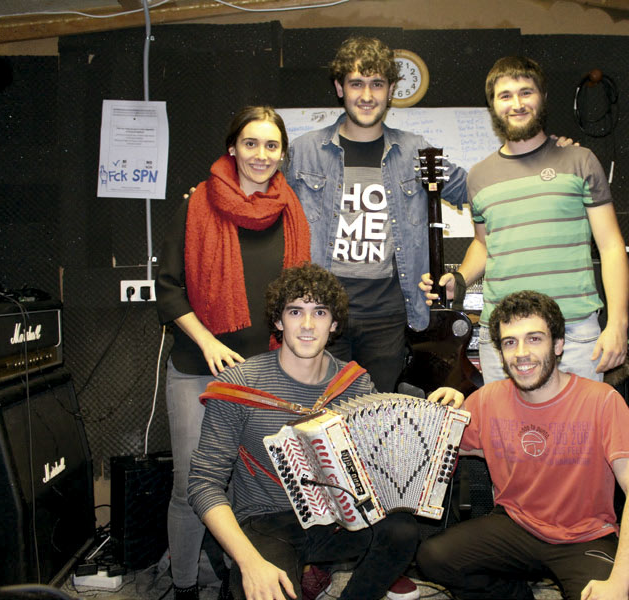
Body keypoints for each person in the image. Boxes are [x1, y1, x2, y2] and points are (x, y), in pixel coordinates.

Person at [188, 263, 462, 600]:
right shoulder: (240, 385)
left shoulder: (354, 383)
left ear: (333, 324)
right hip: (267, 522)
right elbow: (203, 484)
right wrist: (249, 562)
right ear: (278, 321)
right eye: (295, 312)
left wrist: (440, 414)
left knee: (402, 531)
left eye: (319, 312)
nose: (307, 325)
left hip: (337, 521)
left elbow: (383, 467)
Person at [156, 106, 311, 599]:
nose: (261, 154)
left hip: (265, 374)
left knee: (251, 486)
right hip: (198, 369)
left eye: (271, 145)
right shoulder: (197, 204)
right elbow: (168, 288)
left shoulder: (291, 209)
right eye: (250, 143)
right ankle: (183, 586)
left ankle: (236, 575)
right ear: (232, 148)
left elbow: (299, 295)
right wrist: (207, 342)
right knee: (191, 485)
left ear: (282, 153)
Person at [419, 290, 629, 600]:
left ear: (558, 345)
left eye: (534, 339)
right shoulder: (487, 400)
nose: (521, 354)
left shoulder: (602, 401)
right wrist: (443, 415)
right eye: (510, 342)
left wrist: (619, 581)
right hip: (516, 527)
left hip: (584, 537)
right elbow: (437, 451)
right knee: (434, 557)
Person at [420, 56, 629, 384]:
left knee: (579, 421)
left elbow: (611, 246)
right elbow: (483, 244)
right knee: (503, 421)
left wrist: (617, 323)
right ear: (493, 106)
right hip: (503, 337)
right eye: (505, 96)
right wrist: (459, 279)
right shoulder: (479, 176)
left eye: (525, 92)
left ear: (542, 97)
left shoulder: (580, 161)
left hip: (574, 334)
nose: (516, 104)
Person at [284, 36, 470, 394]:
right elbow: (263, 201)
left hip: (388, 318)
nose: (367, 95)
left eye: (377, 84)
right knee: (323, 414)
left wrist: (537, 153)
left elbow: (478, 191)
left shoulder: (415, 151)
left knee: (380, 416)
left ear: (391, 90)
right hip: (320, 313)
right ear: (340, 88)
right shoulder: (305, 151)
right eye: (356, 84)